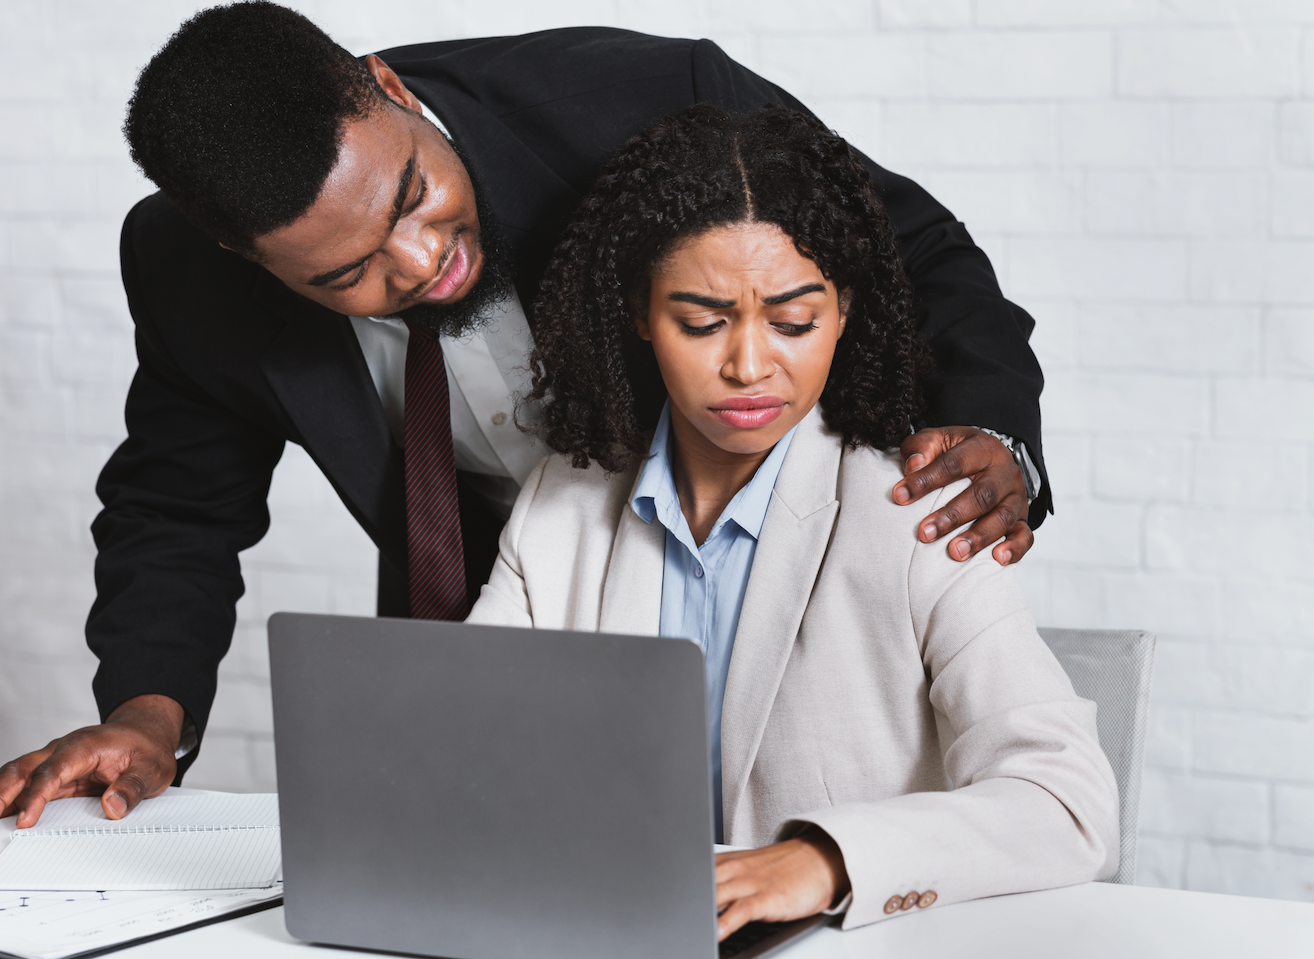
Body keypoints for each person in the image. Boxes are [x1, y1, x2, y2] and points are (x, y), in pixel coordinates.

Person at [0, 2, 1048, 827]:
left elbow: (909, 245)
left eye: (411, 195)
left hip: (755, 614)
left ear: (389, 88)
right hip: (494, 642)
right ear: (249, 259)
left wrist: (988, 428)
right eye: (348, 272)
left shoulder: (640, 99)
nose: (419, 261)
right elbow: (176, 506)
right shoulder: (191, 273)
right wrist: (146, 713)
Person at [465, 104, 1117, 938]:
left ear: (844, 310)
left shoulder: (916, 514)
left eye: (794, 322)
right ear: (638, 314)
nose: (748, 364)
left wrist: (824, 859)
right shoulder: (560, 501)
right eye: (701, 322)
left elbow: (1067, 799)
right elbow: (472, 758)